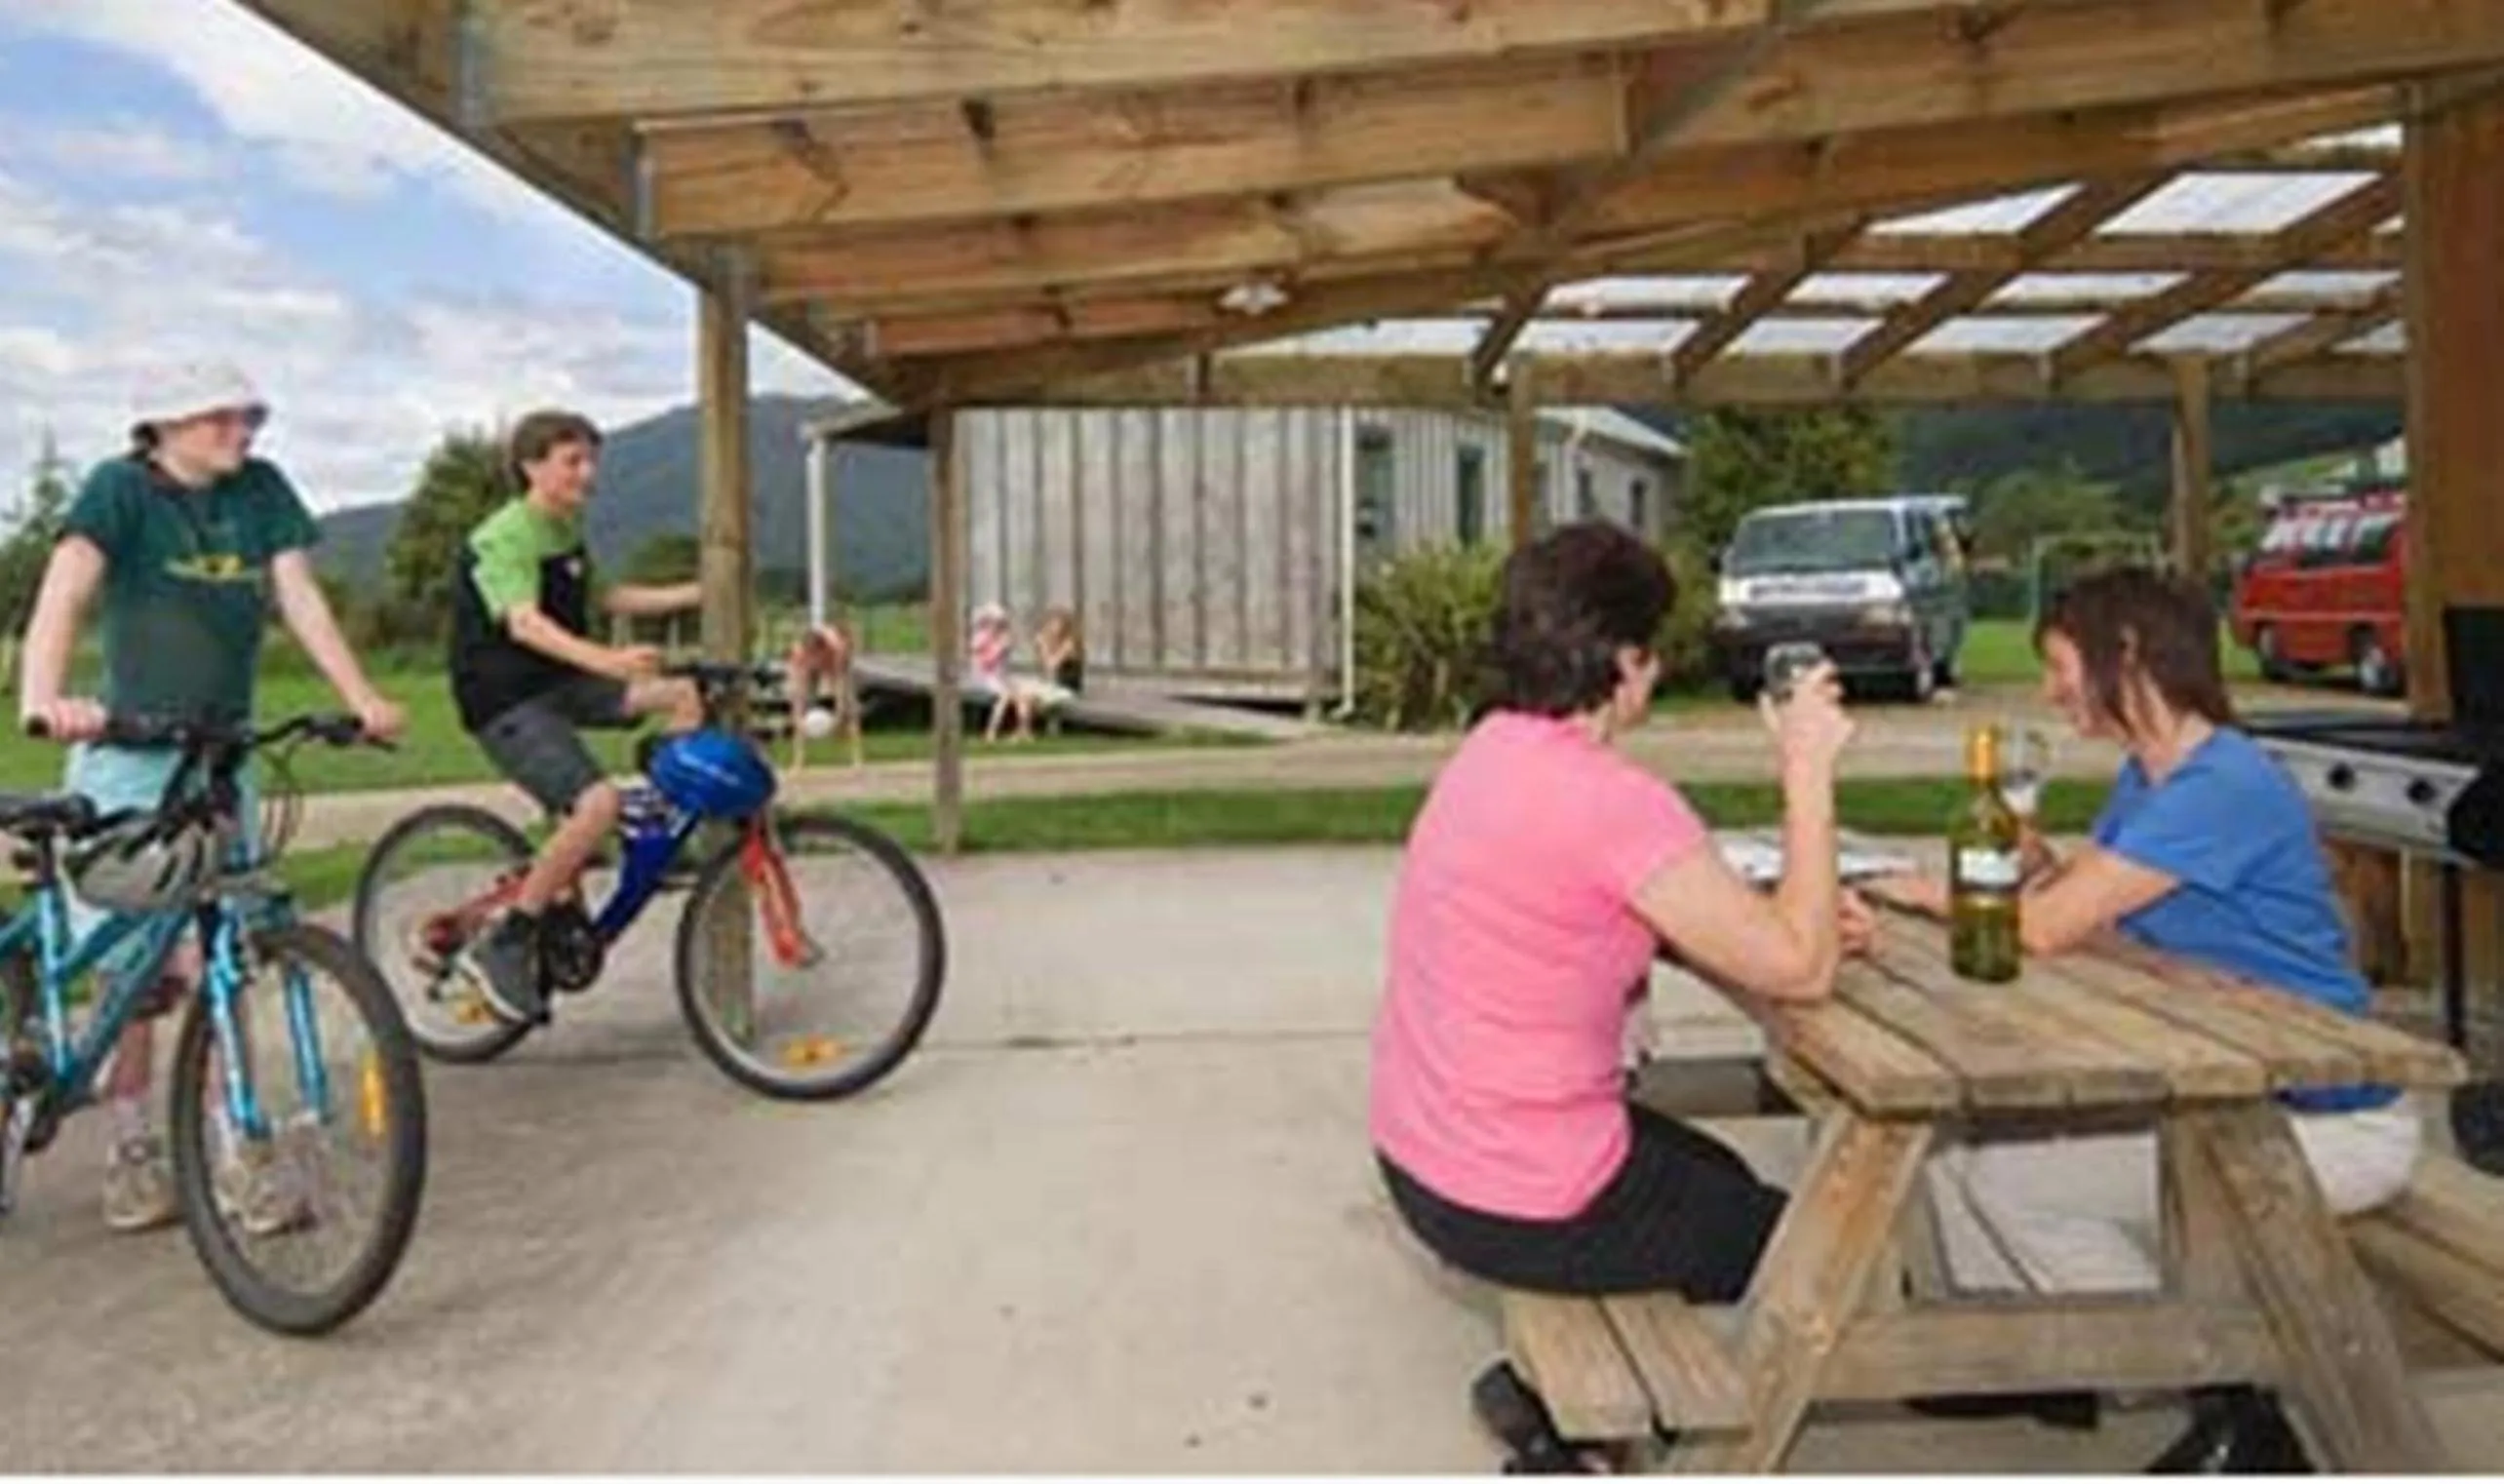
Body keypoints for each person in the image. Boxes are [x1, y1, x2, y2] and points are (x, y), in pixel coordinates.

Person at [1872, 566, 2420, 1472]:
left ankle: (2231, 1398)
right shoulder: (2154, 777)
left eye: (2059, 667)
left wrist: (1929, 893)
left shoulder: (2221, 786)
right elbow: (2094, 906)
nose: (2051, 690)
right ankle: (2049, 1361)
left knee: (2009, 1183)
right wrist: (2045, 862)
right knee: (1961, 1148)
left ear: (2124, 657)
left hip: (2326, 1118)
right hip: (2237, 1083)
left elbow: (2047, 929)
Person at [1370, 523, 1863, 1371]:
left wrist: (1767, 918)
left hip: (1424, 1158)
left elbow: (1579, 909)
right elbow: (1804, 971)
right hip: (1519, 1192)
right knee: (1815, 1253)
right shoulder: (1614, 802)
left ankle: (1551, 1410)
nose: (1660, 670)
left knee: (1723, 1182)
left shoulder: (1488, 754)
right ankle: (1624, 1423)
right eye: (1653, 650)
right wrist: (1807, 769)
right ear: (1623, 659)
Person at [16, 361, 406, 1232]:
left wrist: (359, 698)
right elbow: (66, 592)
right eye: (221, 416)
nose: (243, 430)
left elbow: (299, 599)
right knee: (142, 968)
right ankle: (131, 1152)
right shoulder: (120, 491)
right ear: (162, 423)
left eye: (249, 414)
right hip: (129, 755)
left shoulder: (260, 490)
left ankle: (240, 1154)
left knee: (226, 950)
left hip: (223, 756)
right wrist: (45, 699)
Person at [448, 410, 702, 1029]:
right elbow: (524, 622)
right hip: (505, 698)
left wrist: (700, 590)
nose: (588, 474)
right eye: (573, 461)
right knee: (595, 803)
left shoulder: (565, 529)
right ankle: (507, 937)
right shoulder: (506, 534)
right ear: (532, 466)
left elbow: (606, 598)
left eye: (592, 461)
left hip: (559, 684)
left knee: (682, 696)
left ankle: (664, 835)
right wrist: (611, 660)